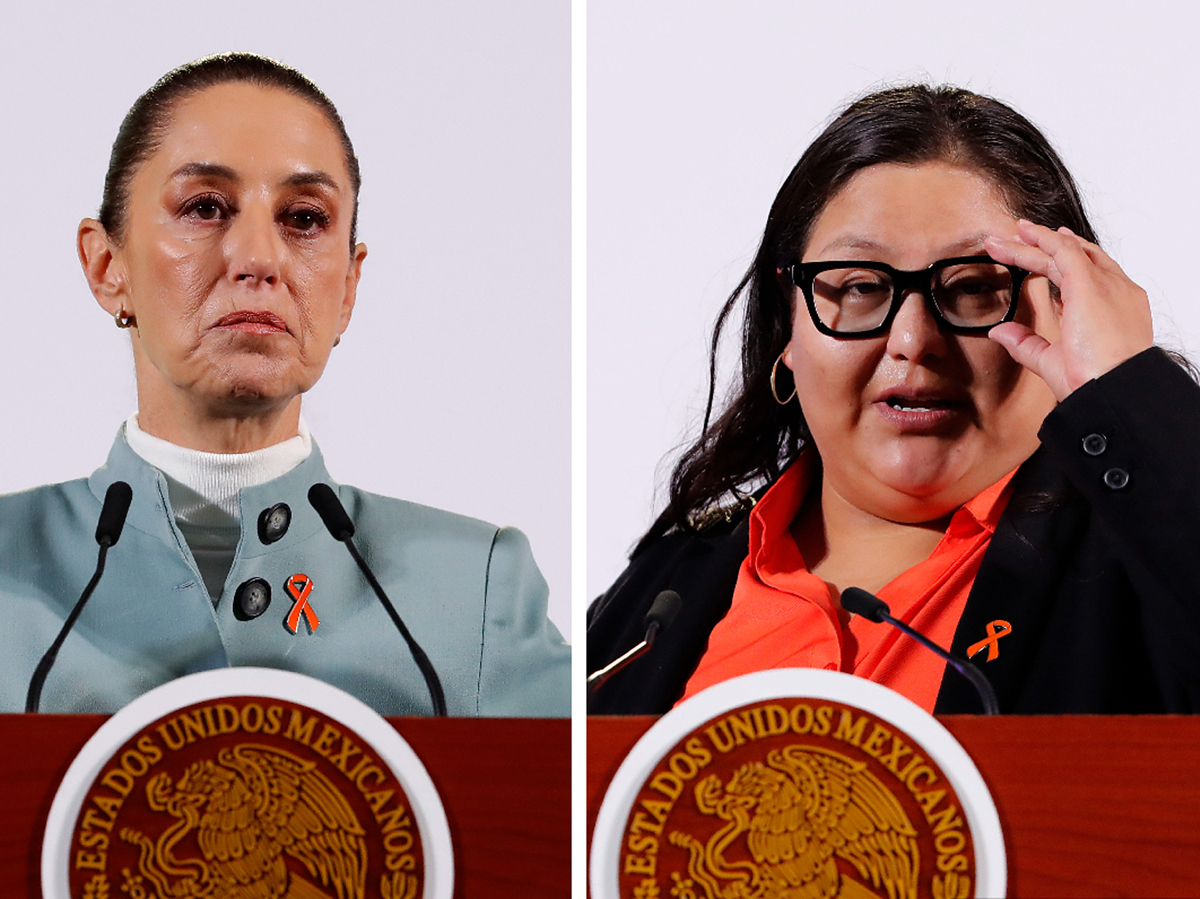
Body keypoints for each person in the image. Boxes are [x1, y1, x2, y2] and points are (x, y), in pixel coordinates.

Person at [588, 84, 1200, 715]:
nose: (913, 340)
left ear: (1064, 310)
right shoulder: (662, 595)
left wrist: (1128, 388)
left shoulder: (1147, 568)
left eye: (970, 288)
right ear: (787, 325)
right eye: (858, 286)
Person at [0, 53, 569, 716]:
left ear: (349, 287)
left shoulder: (475, 588)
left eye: (303, 219)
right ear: (106, 265)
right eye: (205, 207)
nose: (259, 259)